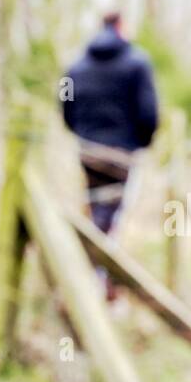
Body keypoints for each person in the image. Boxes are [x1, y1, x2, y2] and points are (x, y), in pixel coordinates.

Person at [61, 13, 159, 236]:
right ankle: (95, 264)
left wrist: (78, 131)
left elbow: (64, 99)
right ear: (121, 26)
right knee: (111, 214)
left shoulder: (74, 67)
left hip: (87, 151)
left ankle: (90, 260)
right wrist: (142, 142)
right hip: (123, 153)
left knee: (97, 207)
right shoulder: (139, 64)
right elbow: (149, 109)